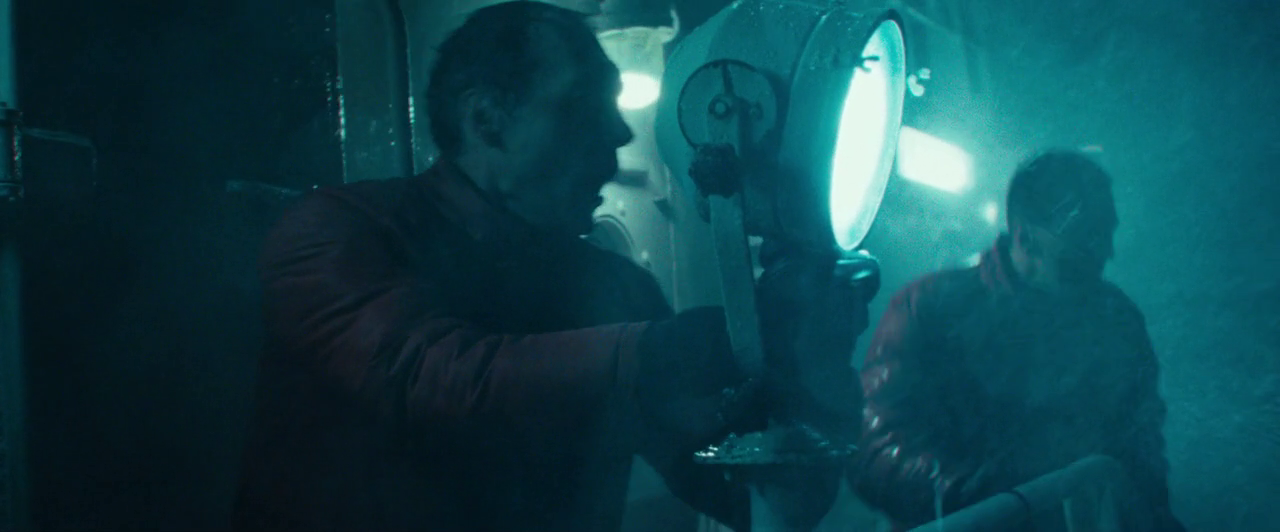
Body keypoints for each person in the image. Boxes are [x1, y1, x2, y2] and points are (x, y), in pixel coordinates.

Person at [233, 2, 865, 531]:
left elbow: (757, 500)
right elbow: (426, 377)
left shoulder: (616, 289)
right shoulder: (337, 232)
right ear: (487, 121)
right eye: (582, 105)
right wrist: (659, 352)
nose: (620, 134)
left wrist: (808, 360)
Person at [849, 151, 1185, 531]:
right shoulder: (930, 309)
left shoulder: (1117, 322)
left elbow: (1140, 445)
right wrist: (999, 499)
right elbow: (874, 451)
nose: (1106, 251)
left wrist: (1152, 518)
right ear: (1027, 237)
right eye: (1086, 236)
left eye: (1106, 231)